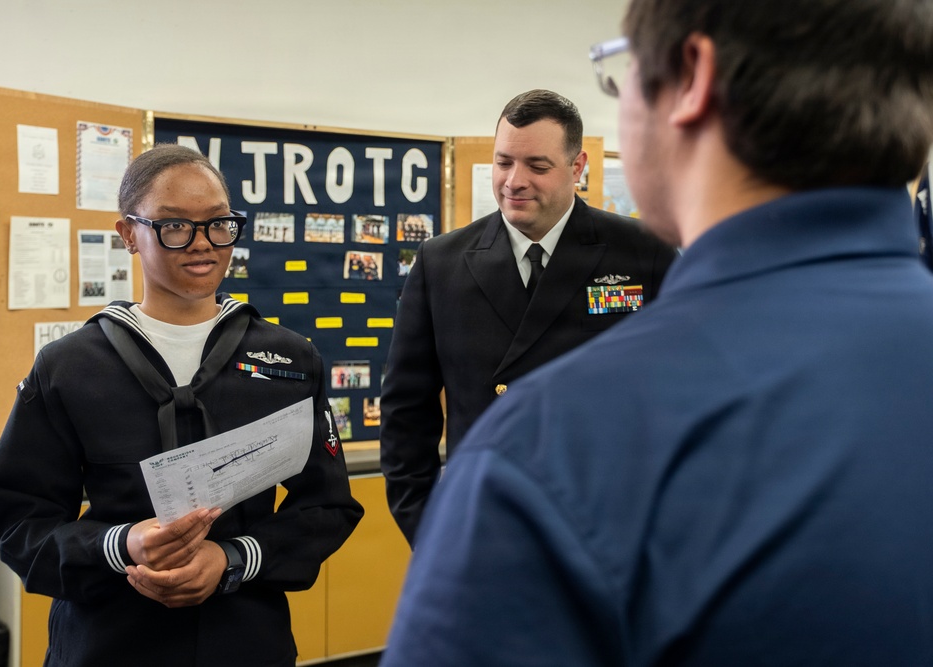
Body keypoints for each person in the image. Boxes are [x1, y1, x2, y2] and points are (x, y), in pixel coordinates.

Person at [380, 0, 933, 664]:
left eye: (622, 71)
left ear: (692, 78)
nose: (514, 180)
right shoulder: (448, 267)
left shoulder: (545, 452)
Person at [0, 144, 363, 667]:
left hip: (247, 642)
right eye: (174, 226)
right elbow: (22, 523)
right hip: (108, 643)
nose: (202, 244)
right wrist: (121, 546)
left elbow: (327, 506)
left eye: (218, 224)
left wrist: (232, 557)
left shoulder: (289, 358)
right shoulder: (68, 367)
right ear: (128, 235)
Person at [380, 89, 676, 546]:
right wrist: (427, 529)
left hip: (610, 529)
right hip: (483, 527)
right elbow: (406, 413)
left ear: (577, 169)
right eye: (503, 163)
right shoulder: (442, 262)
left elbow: (677, 396)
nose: (514, 181)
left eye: (537, 166)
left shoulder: (644, 252)